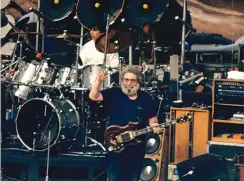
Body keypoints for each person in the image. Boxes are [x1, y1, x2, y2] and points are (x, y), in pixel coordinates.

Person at [89, 65, 162, 181]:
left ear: (138, 82)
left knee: (133, 177)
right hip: (115, 145)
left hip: (136, 147)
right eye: (126, 80)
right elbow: (93, 96)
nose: (129, 83)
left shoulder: (146, 98)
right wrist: (99, 81)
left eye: (132, 80)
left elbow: (152, 118)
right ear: (122, 80)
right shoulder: (114, 93)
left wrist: (155, 126)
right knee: (115, 177)